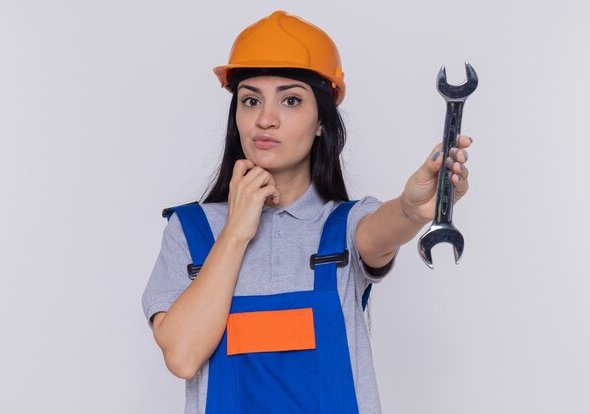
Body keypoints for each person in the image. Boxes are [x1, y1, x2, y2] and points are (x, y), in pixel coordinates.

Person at [142, 10, 472, 414]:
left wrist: (412, 209)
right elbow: (182, 356)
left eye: (291, 100)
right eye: (250, 100)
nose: (265, 118)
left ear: (321, 120)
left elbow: (384, 229)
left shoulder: (344, 227)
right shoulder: (190, 231)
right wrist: (235, 233)